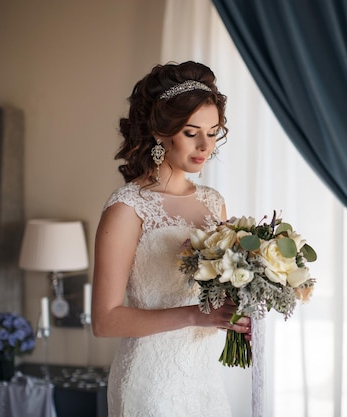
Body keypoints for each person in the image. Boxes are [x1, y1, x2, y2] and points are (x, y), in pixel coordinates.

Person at [91, 61, 251, 417]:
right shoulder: (127, 208)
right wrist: (197, 316)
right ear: (161, 132)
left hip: (204, 378)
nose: (204, 145)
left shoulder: (213, 202)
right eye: (191, 132)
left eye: (213, 132)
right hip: (150, 384)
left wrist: (241, 312)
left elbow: (218, 297)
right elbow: (105, 321)